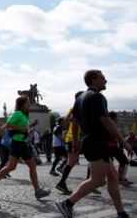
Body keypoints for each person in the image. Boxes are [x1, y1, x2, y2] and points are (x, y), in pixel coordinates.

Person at [56, 70, 133, 218]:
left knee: (113, 176)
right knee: (97, 180)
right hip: (97, 142)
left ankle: (120, 212)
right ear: (93, 80)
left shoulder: (79, 99)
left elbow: (75, 122)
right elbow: (107, 121)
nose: (106, 80)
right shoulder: (98, 97)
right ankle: (67, 203)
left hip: (91, 142)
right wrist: (123, 142)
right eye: (102, 78)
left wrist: (77, 141)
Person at [0, 95, 50, 200]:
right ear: (22, 104)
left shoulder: (24, 115)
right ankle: (37, 191)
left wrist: (30, 126)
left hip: (22, 143)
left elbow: (23, 129)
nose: (29, 104)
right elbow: (8, 125)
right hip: (17, 144)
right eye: (27, 103)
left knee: (18, 166)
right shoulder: (17, 113)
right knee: (16, 166)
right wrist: (22, 129)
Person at [55, 91, 84, 194]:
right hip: (75, 139)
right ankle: (62, 183)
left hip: (73, 138)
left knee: (72, 161)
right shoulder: (78, 108)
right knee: (72, 162)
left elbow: (65, 123)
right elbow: (65, 123)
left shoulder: (74, 108)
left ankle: (62, 183)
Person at [108, 112, 132, 186]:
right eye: (116, 117)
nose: (117, 119)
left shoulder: (108, 125)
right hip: (112, 147)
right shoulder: (112, 125)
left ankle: (120, 178)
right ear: (114, 118)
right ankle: (120, 179)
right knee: (124, 161)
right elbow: (118, 138)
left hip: (111, 147)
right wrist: (126, 146)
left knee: (122, 162)